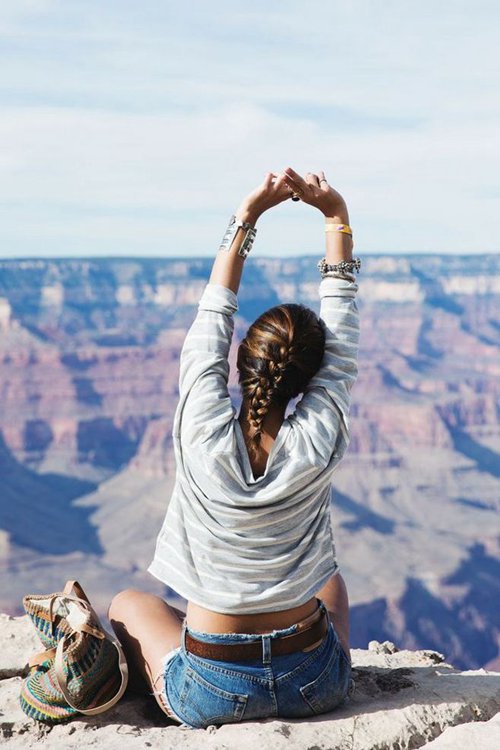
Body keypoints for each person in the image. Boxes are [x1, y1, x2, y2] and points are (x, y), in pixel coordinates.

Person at [108, 167, 360, 728]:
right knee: (331, 583)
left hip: (213, 690)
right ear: (311, 379)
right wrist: (335, 216)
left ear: (243, 360)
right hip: (314, 684)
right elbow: (341, 348)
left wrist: (246, 217)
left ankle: (200, 642)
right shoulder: (319, 438)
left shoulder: (200, 429)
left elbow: (210, 319)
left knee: (129, 604)